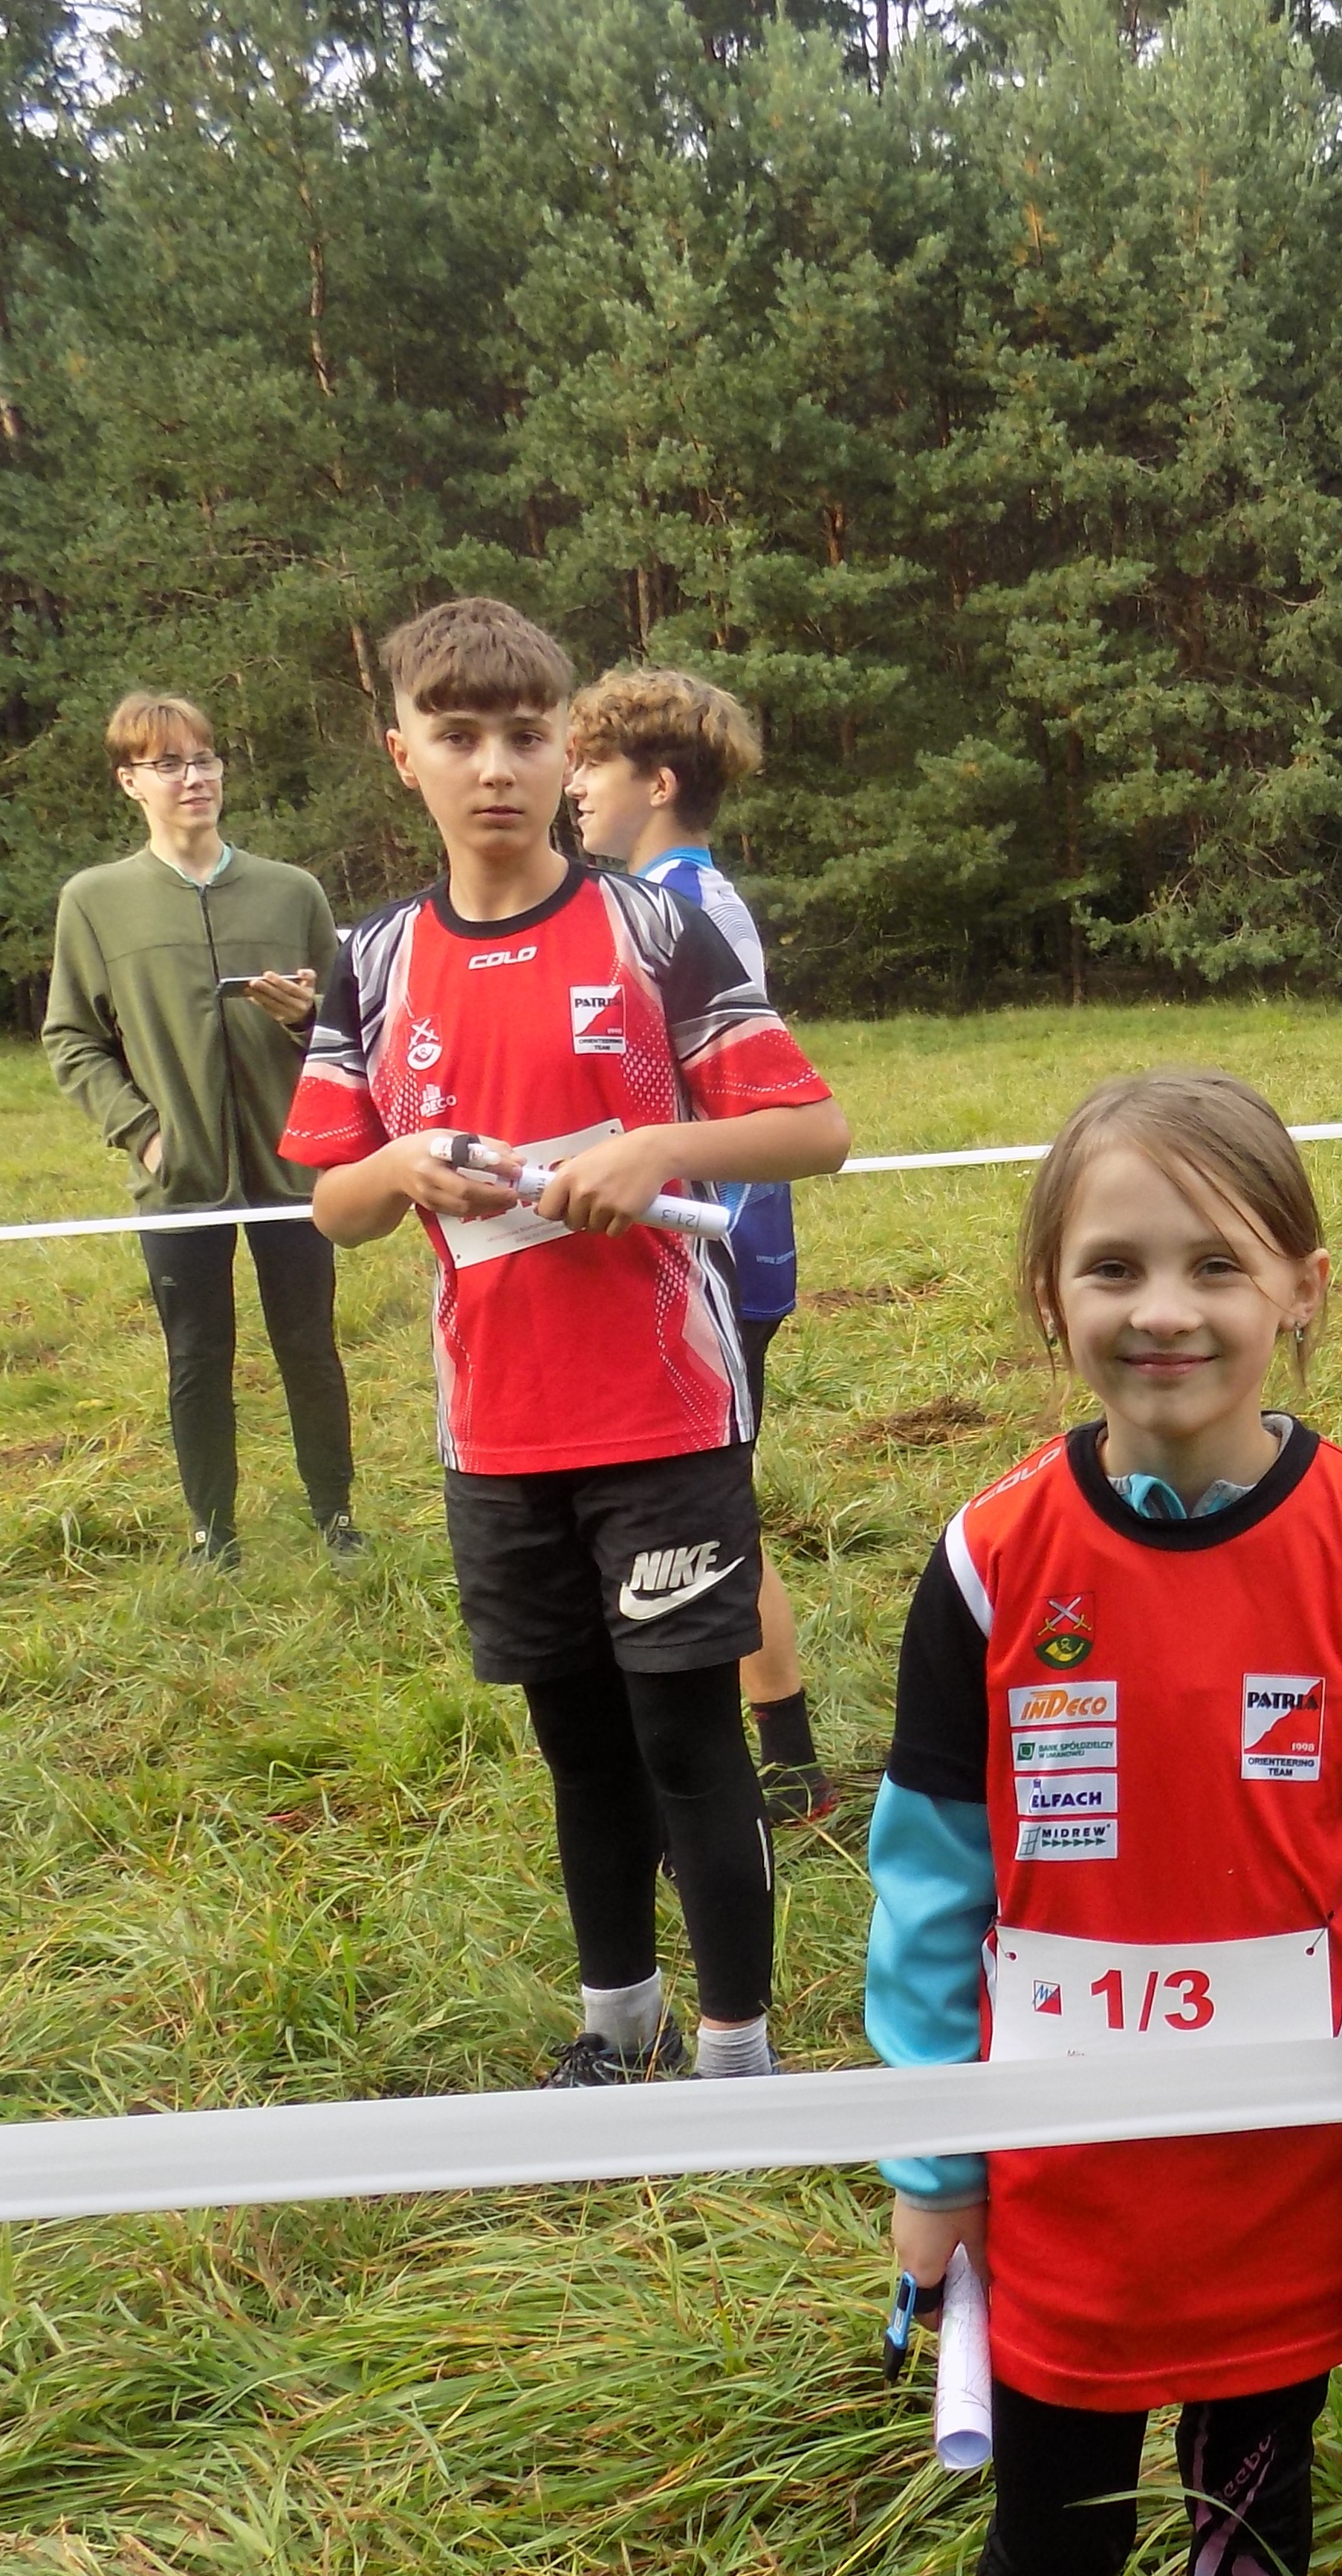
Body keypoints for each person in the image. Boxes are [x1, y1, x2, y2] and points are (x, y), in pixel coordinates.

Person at [863, 1070, 1342, 2576]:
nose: (1165, 1310)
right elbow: (927, 1888)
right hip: (1063, 2177)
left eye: (1216, 1265)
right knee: (1053, 2514)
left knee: (1247, 2505)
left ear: (1301, 1287)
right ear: (1048, 1297)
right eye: (1115, 1267)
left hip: (1284, 2180)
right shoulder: (990, 1562)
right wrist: (933, 2158)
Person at [284, 597, 852, 2086]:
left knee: (688, 1744)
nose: (495, 767)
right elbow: (334, 1204)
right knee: (579, 1748)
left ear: (565, 753)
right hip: (497, 1433)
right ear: (400, 753)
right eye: (458, 736)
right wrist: (403, 1168)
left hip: (663, 1416)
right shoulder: (372, 958)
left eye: (527, 736)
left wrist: (659, 1145)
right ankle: (617, 2025)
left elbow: (816, 1128)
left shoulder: (650, 926)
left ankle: (737, 2055)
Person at [565, 666, 834, 1827]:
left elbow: (738, 1103)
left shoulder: (681, 907)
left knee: (709, 1520)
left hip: (711, 1258)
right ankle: (775, 1761)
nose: (573, 787)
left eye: (594, 764)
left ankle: (774, 1769)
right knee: (713, 1511)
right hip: (692, 1252)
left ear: (661, 783)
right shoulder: (656, 896)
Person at [44, 690, 362, 1571]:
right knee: (196, 1354)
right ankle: (211, 1535)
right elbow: (71, 1037)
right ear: (130, 782)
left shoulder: (292, 892)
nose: (194, 778)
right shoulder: (95, 901)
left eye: (205, 759)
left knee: (310, 1346)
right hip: (177, 1179)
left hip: (292, 1172)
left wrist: (304, 1020)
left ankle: (335, 1518)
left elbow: (353, 1028)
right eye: (169, 764)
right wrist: (144, 1133)